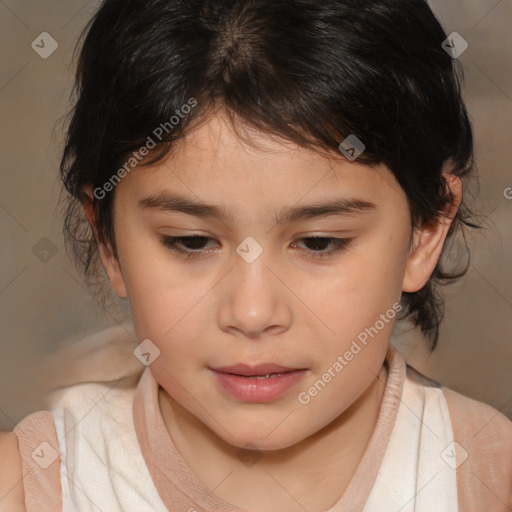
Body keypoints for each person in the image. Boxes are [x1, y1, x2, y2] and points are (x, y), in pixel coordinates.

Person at [1, 0, 511, 510]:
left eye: (319, 242)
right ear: (108, 240)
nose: (252, 313)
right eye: (192, 242)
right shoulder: (31, 486)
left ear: (424, 231)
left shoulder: (489, 481)